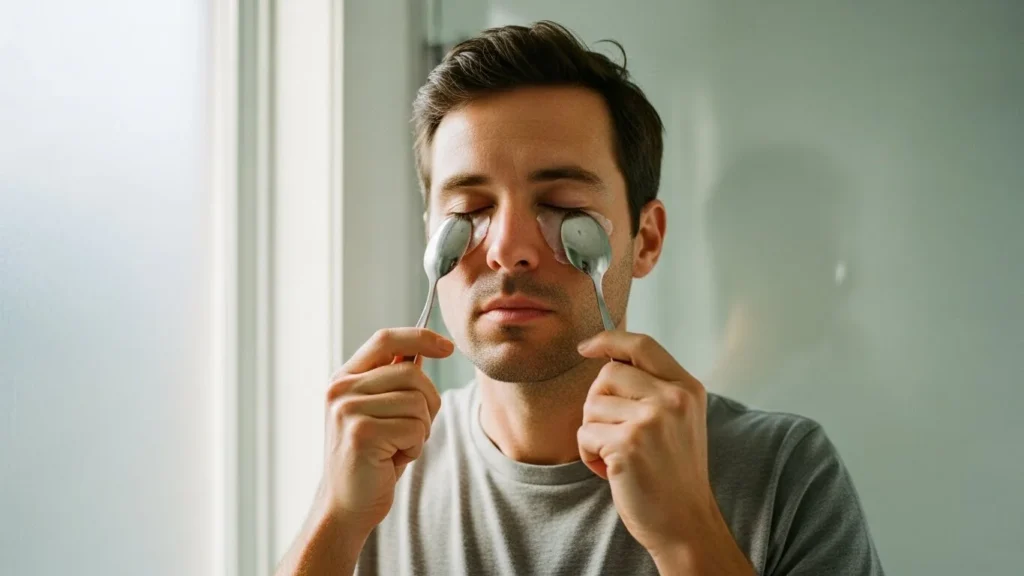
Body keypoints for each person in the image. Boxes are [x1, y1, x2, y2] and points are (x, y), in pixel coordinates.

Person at [275, 21, 884, 576]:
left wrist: (688, 537)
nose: (506, 249)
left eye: (563, 208)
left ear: (645, 241)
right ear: (432, 239)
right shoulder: (379, 470)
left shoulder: (782, 473)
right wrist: (333, 518)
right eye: (469, 211)